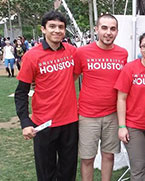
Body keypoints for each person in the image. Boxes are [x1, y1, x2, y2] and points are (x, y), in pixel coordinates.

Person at [14, 10, 78, 181]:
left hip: (70, 122)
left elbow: (76, 73)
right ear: (43, 29)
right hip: (43, 124)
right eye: (52, 26)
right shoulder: (31, 56)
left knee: (68, 171)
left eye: (61, 27)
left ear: (65, 30)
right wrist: (25, 123)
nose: (57, 30)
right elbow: (21, 93)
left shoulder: (72, 51)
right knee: (46, 173)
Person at [74, 14, 128, 181]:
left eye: (112, 28)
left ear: (117, 31)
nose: (108, 32)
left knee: (109, 155)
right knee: (87, 158)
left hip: (112, 115)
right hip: (87, 115)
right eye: (104, 28)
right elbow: (72, 79)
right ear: (96, 29)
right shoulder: (82, 52)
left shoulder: (122, 54)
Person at [114, 31, 145, 181]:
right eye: (144, 46)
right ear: (140, 48)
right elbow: (121, 98)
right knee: (138, 167)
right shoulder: (130, 68)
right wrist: (122, 127)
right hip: (134, 125)